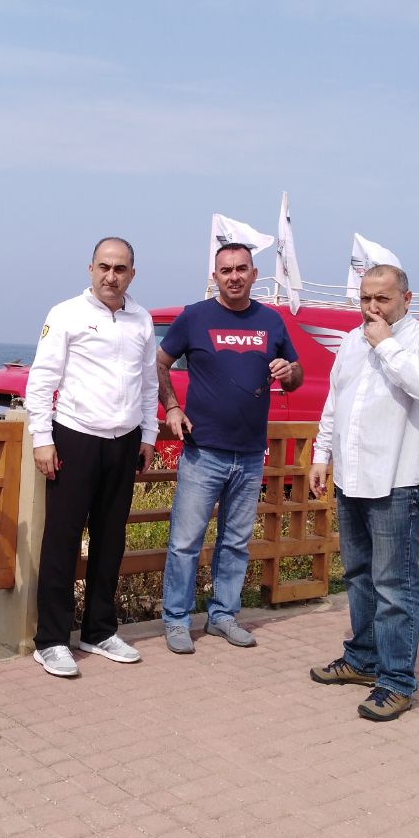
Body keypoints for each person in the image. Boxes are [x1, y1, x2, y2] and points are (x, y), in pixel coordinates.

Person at [308, 264, 419, 723]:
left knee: (395, 586)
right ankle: (362, 659)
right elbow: (335, 402)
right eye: (365, 298)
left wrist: (387, 344)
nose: (372, 307)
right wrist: (321, 453)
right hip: (350, 478)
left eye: (382, 298)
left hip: (396, 480)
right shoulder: (350, 341)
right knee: (358, 576)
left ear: (406, 299)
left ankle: (396, 682)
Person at [159, 243, 302, 654]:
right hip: (203, 451)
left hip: (251, 454)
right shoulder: (194, 316)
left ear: (254, 274)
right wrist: (172, 407)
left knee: (236, 543)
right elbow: (160, 363)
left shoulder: (271, 321)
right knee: (185, 542)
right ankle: (177, 620)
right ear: (215, 277)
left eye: (241, 269)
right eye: (226, 270)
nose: (234, 276)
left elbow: (295, 377)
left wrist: (290, 371)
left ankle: (223, 616)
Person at [25, 237, 158, 677]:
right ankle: (51, 640)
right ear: (90, 269)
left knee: (111, 539)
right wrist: (42, 439)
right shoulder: (65, 313)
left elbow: (149, 383)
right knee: (61, 541)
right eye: (104, 267)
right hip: (75, 437)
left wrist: (149, 435)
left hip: (125, 441)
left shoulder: (141, 319)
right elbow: (42, 380)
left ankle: (99, 631)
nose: (111, 276)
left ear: (132, 274)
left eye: (120, 269)